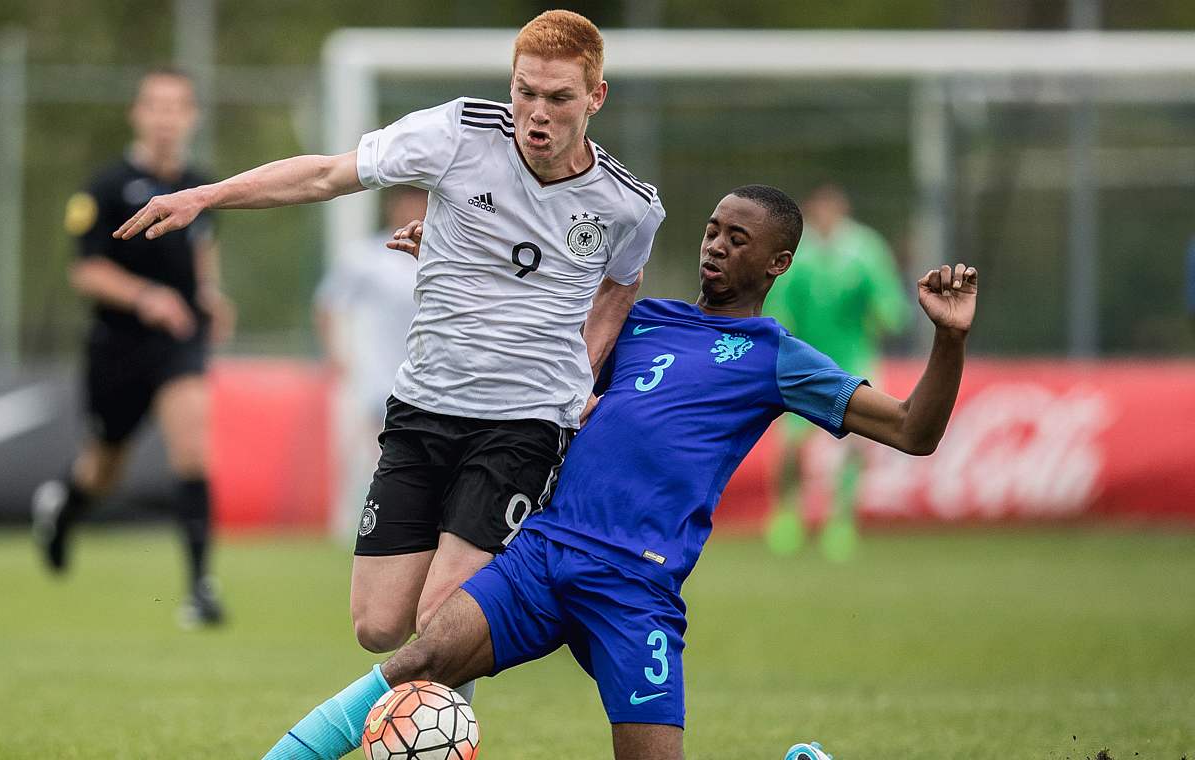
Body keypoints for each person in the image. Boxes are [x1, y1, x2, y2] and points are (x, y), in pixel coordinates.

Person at [261, 185, 977, 760]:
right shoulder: (641, 320)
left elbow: (914, 430)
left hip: (635, 586)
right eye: (712, 230)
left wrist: (948, 337)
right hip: (543, 554)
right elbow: (528, 325)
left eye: (738, 239)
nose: (716, 247)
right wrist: (451, 261)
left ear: (777, 263)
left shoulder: (774, 355)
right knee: (419, 659)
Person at [114, 7, 664, 683]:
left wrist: (582, 376)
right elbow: (325, 175)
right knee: (377, 626)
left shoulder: (627, 204)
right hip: (423, 408)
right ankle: (530, 599)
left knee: (441, 620)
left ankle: (434, 731)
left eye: (558, 98)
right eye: (525, 91)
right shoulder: (458, 132)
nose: (536, 113)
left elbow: (619, 284)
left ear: (595, 97)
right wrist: (206, 195)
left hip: (523, 425)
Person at [32, 68, 235, 627]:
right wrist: (145, 296)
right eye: (156, 106)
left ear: (191, 116)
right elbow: (86, 271)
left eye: (178, 107)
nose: (167, 118)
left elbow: (202, 254)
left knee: (193, 450)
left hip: (178, 343)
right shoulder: (104, 187)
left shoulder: (198, 184)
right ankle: (64, 512)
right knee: (103, 470)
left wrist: (212, 297)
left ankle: (201, 591)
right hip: (116, 347)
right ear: (137, 114)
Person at [763, 182, 909, 562]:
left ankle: (840, 520)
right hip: (804, 358)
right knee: (793, 444)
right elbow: (778, 298)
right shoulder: (799, 251)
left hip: (853, 358)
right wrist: (779, 331)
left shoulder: (865, 248)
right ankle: (787, 514)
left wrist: (886, 312)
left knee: (857, 442)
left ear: (842, 212)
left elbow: (889, 300)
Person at [313, 187, 426, 542]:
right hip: (375, 370)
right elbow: (329, 304)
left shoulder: (440, 256)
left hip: (424, 372)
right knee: (368, 449)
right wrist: (337, 354)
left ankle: (406, 521)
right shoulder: (365, 256)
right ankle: (352, 523)